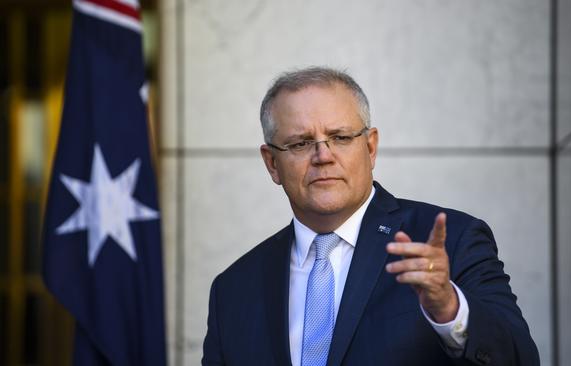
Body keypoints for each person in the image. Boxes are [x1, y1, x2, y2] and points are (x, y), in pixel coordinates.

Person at [202, 67, 539, 365]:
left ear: (370, 147)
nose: (323, 156)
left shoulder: (453, 240)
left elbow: (520, 357)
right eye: (301, 144)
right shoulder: (232, 290)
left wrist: (450, 308)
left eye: (340, 137)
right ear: (272, 163)